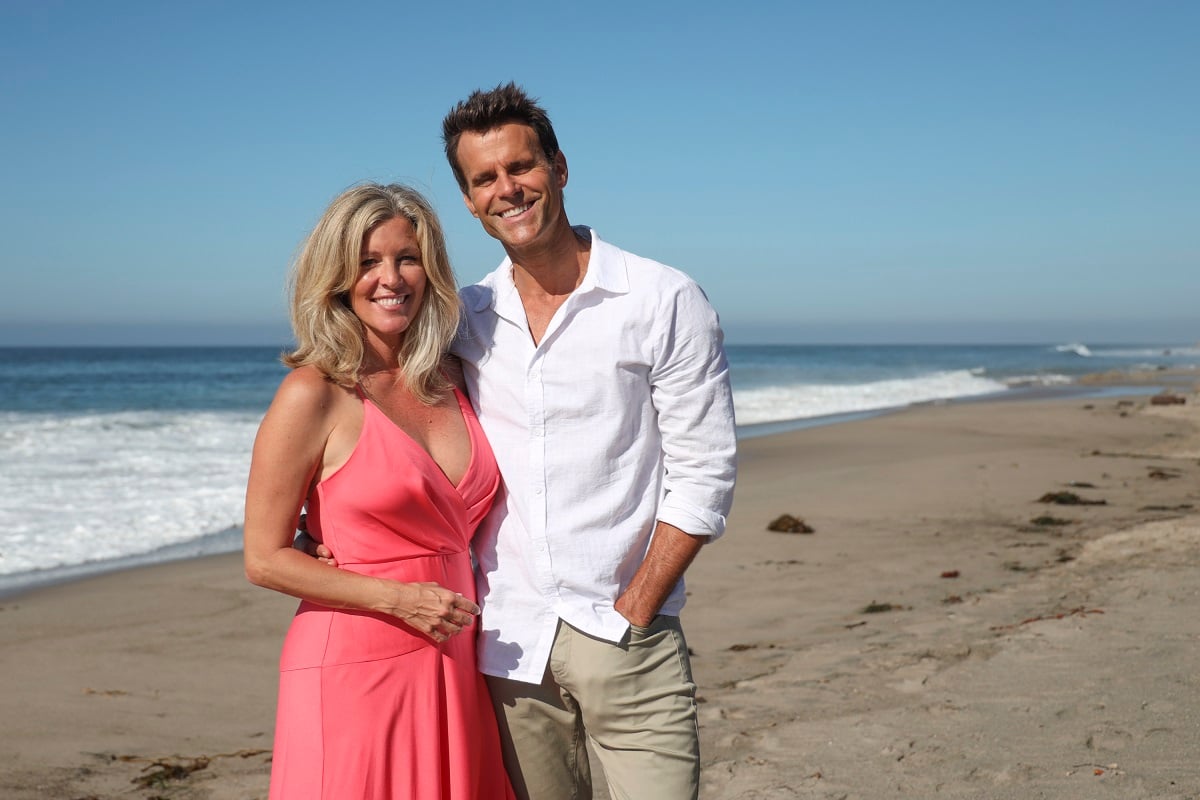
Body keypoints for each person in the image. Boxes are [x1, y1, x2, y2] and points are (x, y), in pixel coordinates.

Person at [442, 84, 738, 799]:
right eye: (485, 179)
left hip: (629, 637)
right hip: (509, 649)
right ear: (469, 202)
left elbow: (706, 473)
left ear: (560, 168)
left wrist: (637, 605)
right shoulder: (466, 318)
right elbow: (387, 419)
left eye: (522, 167)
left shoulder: (662, 299)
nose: (507, 190)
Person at [243, 183, 515, 799]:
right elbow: (263, 559)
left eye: (407, 258)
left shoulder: (452, 377)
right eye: (367, 262)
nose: (390, 278)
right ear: (338, 276)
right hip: (356, 660)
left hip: (454, 657)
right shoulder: (312, 394)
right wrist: (397, 599)